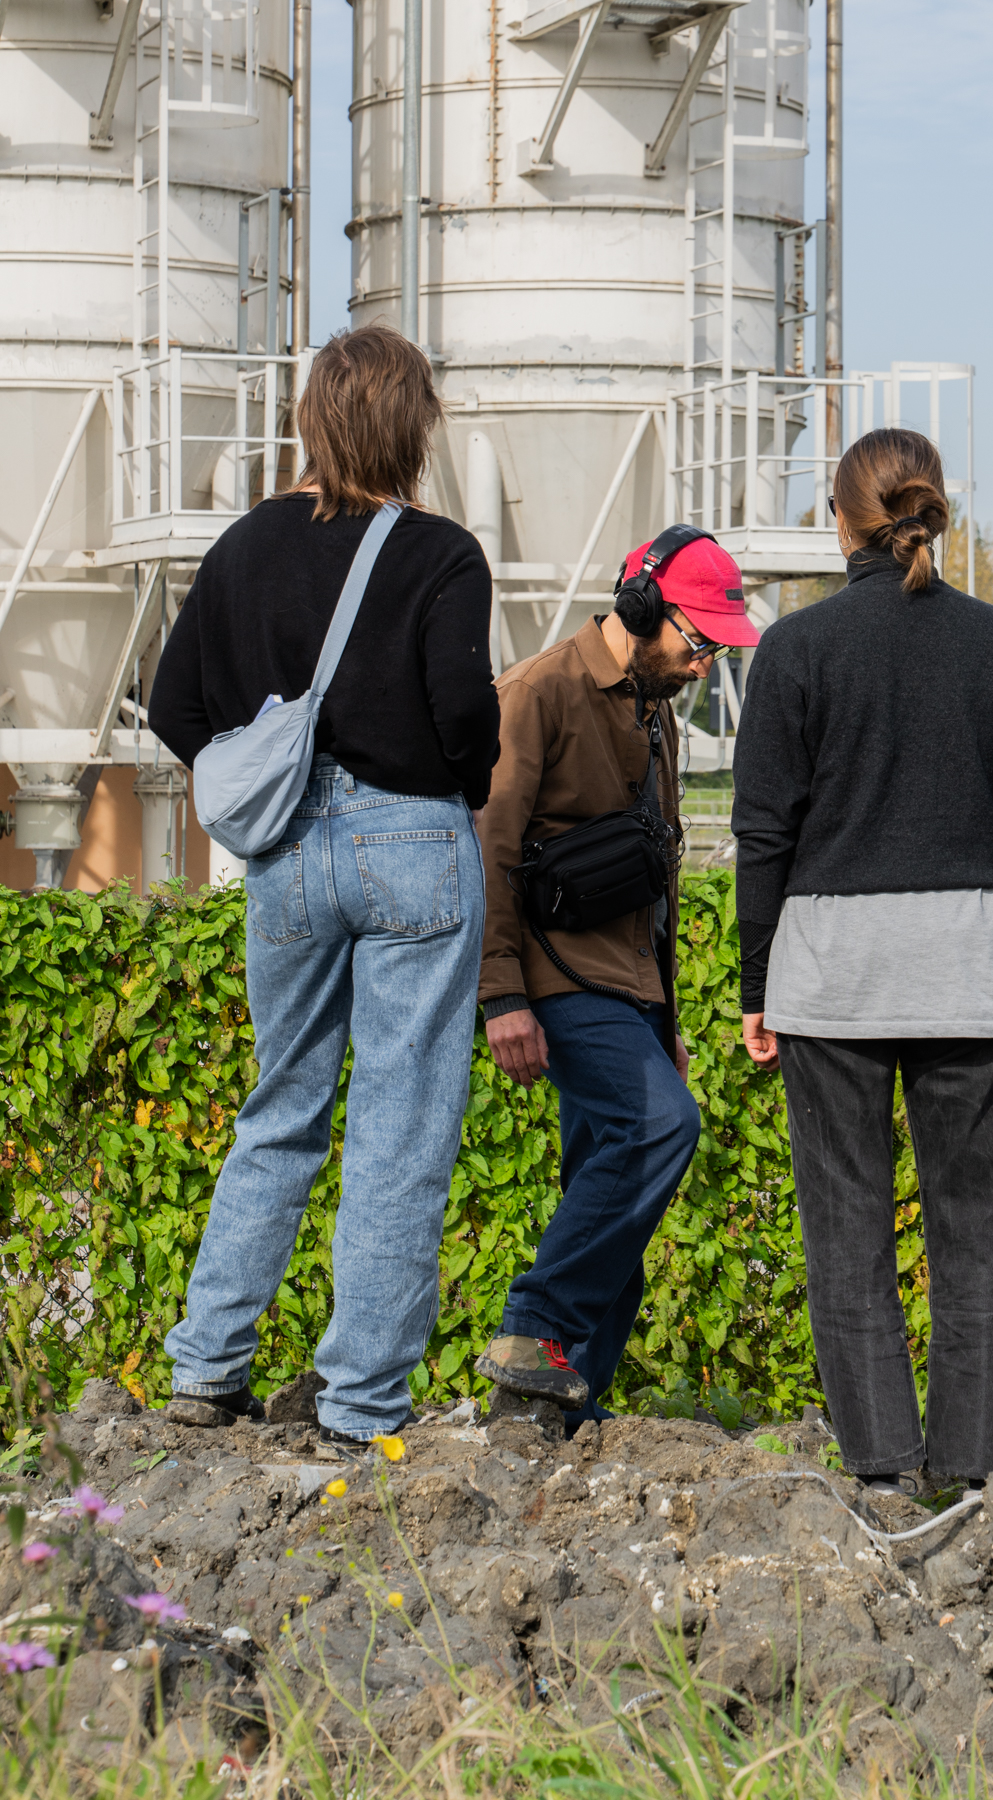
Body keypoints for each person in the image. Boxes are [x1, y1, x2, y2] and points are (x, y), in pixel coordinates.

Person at [148, 324, 501, 1457]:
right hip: (414, 846)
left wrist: (260, 767)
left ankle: (207, 1365)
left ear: (310, 420)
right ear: (416, 428)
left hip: (288, 855)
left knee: (280, 1108)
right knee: (399, 1129)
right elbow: (463, 713)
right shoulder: (443, 554)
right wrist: (462, 778)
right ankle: (358, 1406)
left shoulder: (243, 548)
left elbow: (171, 705)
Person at [732, 428, 993, 1494]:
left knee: (848, 1232)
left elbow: (764, 833)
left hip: (831, 976)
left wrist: (755, 984)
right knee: (975, 1240)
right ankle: (973, 1477)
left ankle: (879, 1473)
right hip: (970, 967)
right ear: (933, 513)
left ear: (841, 522)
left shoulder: (796, 649)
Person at [474, 528, 760, 1432]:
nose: (704, 662)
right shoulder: (538, 693)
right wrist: (501, 995)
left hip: (629, 991)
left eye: (717, 646)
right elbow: (486, 849)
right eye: (697, 639)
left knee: (612, 1201)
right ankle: (534, 1330)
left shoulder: (654, 705)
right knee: (659, 1128)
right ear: (640, 609)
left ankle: (554, 1407)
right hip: (558, 983)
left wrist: (665, 1016)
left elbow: (658, 876)